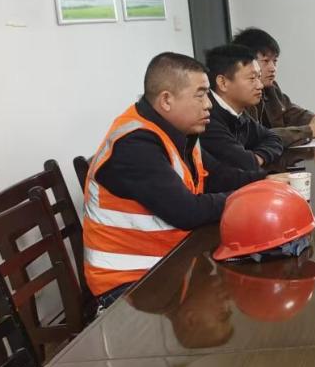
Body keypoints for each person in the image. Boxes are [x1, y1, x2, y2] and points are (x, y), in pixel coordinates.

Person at [83, 52, 289, 306]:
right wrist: (254, 195)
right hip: (130, 283)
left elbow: (216, 176)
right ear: (166, 100)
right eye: (200, 95)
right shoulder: (134, 145)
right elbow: (188, 211)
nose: (209, 104)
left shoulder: (178, 131)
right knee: (250, 286)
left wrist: (266, 181)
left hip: (171, 260)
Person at [232, 27, 315, 147]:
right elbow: (257, 136)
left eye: (275, 61)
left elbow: (290, 112)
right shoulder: (238, 95)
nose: (273, 68)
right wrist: (309, 130)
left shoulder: (271, 87)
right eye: (266, 61)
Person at [201, 44, 284, 171]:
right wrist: (252, 160)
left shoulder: (238, 112)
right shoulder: (206, 118)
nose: (260, 85)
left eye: (258, 77)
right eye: (252, 78)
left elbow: (273, 138)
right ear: (223, 82)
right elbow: (243, 162)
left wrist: (258, 158)